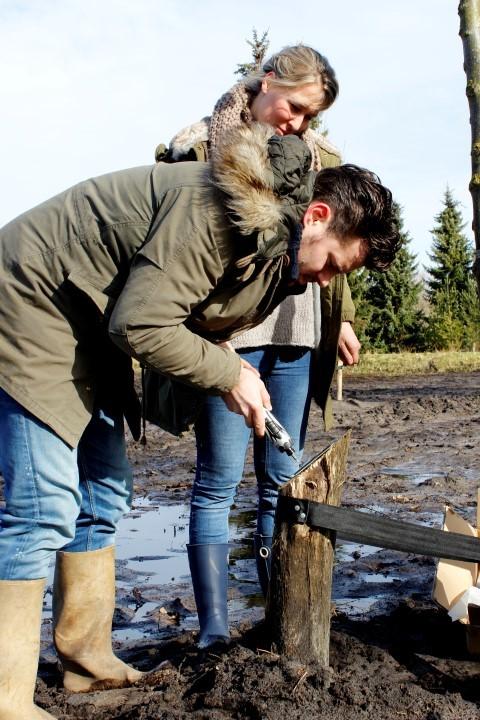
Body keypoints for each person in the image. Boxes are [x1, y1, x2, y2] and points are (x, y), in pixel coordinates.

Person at [0, 120, 399, 718]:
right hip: (35, 302)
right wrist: (229, 374)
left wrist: (230, 366)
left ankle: (85, 662)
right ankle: (8, 701)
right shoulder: (214, 213)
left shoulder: (272, 248)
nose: (327, 280)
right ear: (316, 215)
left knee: (103, 494)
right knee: (41, 508)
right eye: (335, 264)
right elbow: (140, 323)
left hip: (92, 325)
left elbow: (192, 317)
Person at [153, 45, 360, 648]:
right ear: (266, 81)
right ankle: (214, 630)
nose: (297, 123)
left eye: (308, 116)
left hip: (296, 331)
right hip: (225, 338)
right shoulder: (198, 143)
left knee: (282, 475)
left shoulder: (323, 160)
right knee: (217, 481)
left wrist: (337, 318)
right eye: (294, 107)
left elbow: (336, 247)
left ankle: (280, 616)